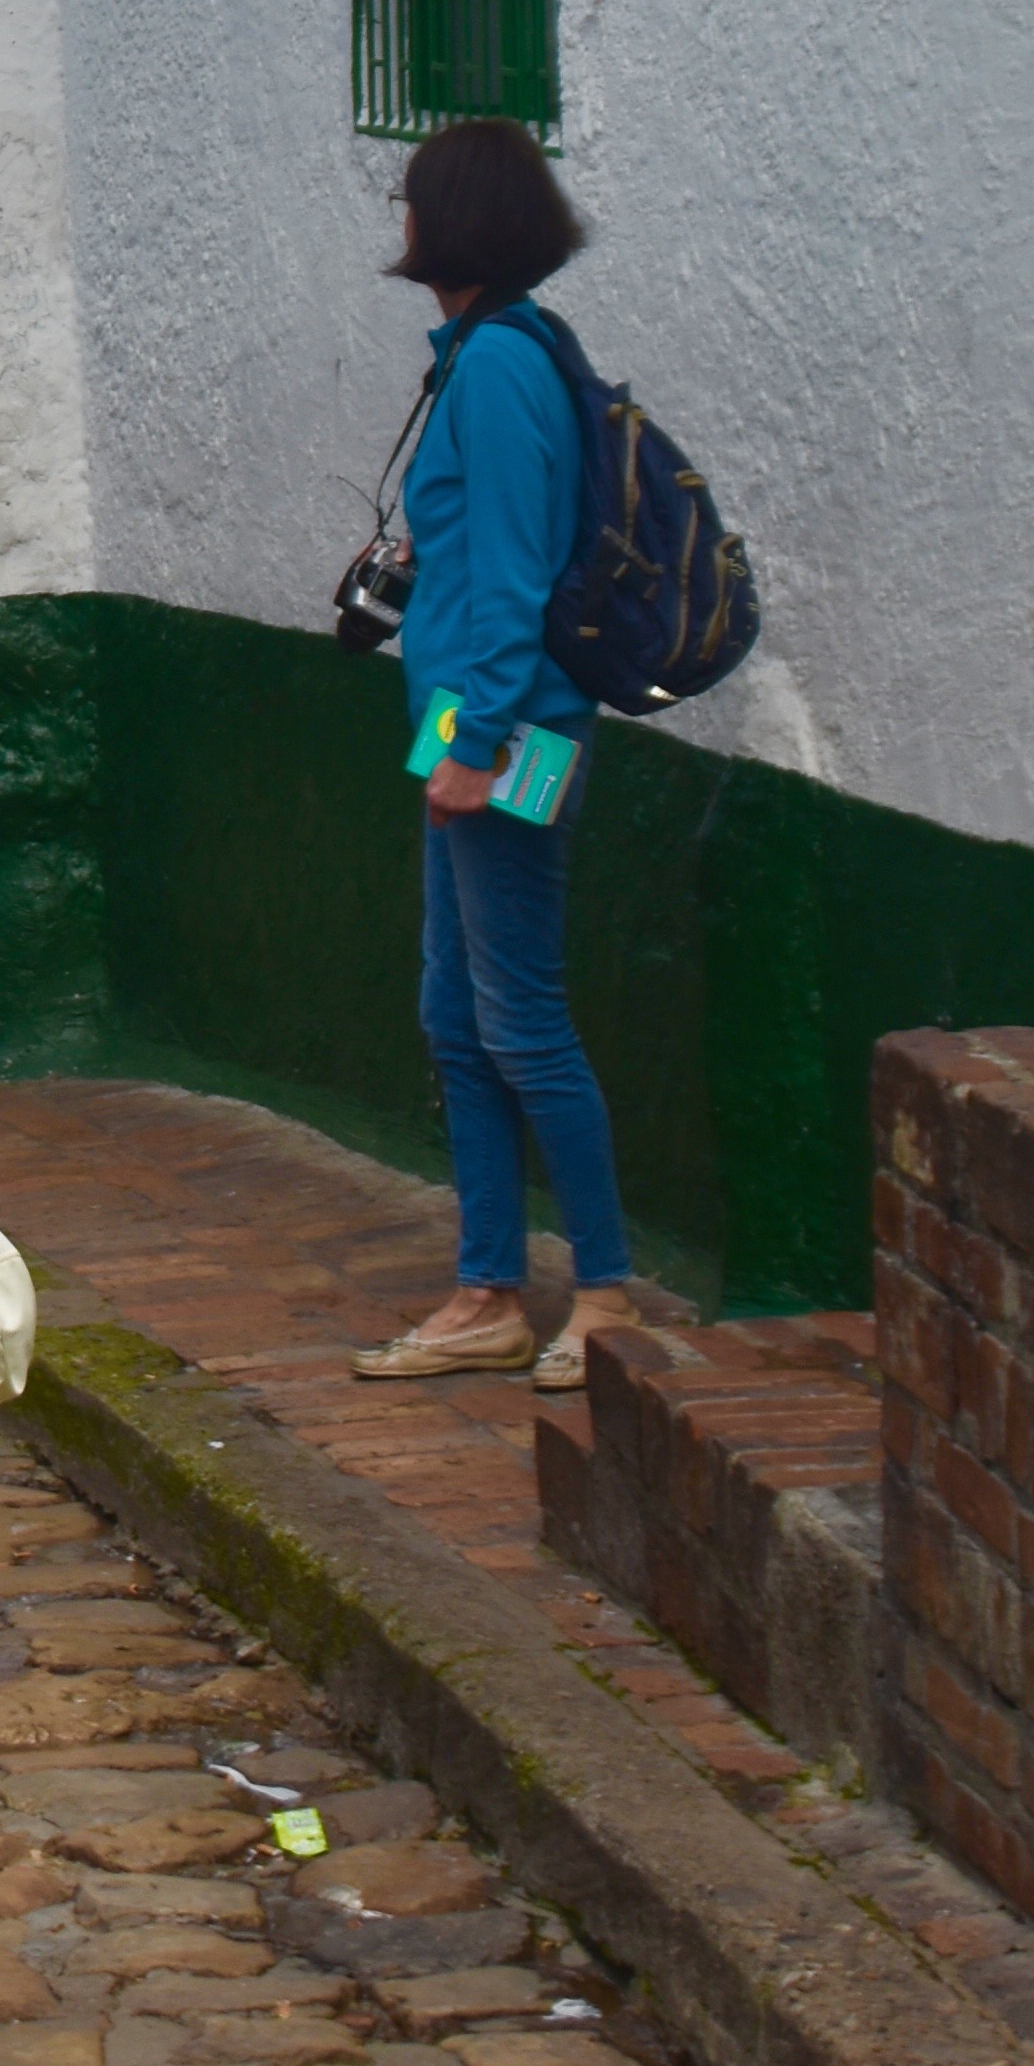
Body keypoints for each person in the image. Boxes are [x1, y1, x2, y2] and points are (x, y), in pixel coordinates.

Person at [351, 116, 637, 1400]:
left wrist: (468, 747)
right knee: (452, 1014)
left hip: (514, 737)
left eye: (415, 204)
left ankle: (607, 1289)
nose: (402, 226)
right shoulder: (483, 356)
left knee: (516, 1018)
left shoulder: (502, 369)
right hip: (468, 728)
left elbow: (513, 579)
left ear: (453, 222)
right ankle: (484, 1293)